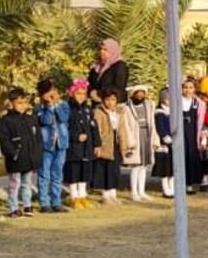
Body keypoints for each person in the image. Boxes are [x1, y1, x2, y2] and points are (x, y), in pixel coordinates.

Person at [0, 88, 41, 219]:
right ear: (11, 103)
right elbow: (4, 140)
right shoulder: (5, 121)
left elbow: (37, 138)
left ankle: (27, 205)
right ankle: (14, 207)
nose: (22, 106)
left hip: (29, 158)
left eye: (24, 102)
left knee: (27, 183)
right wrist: (12, 153)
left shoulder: (31, 119)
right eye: (19, 103)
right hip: (15, 158)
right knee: (14, 184)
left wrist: (37, 154)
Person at [91, 90, 134, 205]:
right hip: (105, 144)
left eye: (113, 100)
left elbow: (122, 130)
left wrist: (126, 146)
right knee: (105, 170)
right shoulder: (99, 112)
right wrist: (98, 144)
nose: (110, 103)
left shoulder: (119, 112)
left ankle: (113, 194)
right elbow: (97, 129)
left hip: (116, 143)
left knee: (114, 169)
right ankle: (106, 195)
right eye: (108, 100)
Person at [35, 78, 70, 213]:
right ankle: (44, 203)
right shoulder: (39, 108)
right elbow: (46, 121)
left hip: (61, 145)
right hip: (46, 146)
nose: (52, 94)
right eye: (48, 92)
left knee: (57, 174)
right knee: (44, 174)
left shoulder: (64, 105)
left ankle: (56, 202)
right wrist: (49, 106)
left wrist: (56, 105)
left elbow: (63, 118)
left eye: (53, 90)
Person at [64, 79, 99, 209]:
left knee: (85, 171)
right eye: (78, 93)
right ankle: (74, 197)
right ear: (72, 94)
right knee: (74, 172)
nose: (81, 96)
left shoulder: (88, 109)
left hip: (87, 147)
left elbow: (94, 127)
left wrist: (97, 144)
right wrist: (76, 136)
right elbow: (64, 128)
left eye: (84, 94)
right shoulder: (67, 109)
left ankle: (82, 195)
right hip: (73, 148)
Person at [124, 84, 158, 201]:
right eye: (137, 93)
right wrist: (129, 141)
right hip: (134, 137)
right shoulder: (127, 107)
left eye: (142, 93)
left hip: (146, 136)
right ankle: (134, 192)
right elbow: (126, 125)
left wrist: (154, 140)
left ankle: (141, 191)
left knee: (144, 166)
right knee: (135, 166)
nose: (140, 95)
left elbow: (152, 124)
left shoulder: (149, 106)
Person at [180, 77, 208, 193]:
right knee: (181, 157)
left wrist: (203, 138)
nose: (188, 90)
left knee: (191, 157)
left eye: (190, 88)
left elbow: (202, 122)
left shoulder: (199, 103)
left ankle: (189, 184)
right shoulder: (177, 101)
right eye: (185, 87)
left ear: (195, 89)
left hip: (192, 133)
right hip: (180, 132)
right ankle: (179, 183)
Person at [88, 38, 129, 104]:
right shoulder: (97, 66)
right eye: (100, 49)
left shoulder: (119, 65)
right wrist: (91, 92)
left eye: (105, 50)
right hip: (98, 104)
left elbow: (119, 87)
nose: (101, 51)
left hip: (114, 105)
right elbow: (90, 83)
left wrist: (99, 94)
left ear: (112, 50)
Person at [153, 88, 174, 197]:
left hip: (173, 143)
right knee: (165, 169)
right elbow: (160, 128)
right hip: (164, 144)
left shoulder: (172, 112)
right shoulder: (160, 113)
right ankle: (166, 189)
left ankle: (172, 187)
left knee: (172, 168)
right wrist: (166, 138)